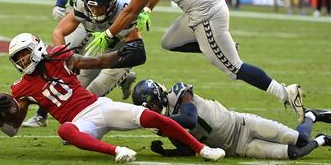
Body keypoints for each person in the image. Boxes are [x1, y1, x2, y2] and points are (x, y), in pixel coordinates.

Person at [84, 0, 306, 123]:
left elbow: (132, 9)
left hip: (205, 14)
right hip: (201, 7)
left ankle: (285, 93)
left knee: (233, 68)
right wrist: (149, 9)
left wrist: (110, 34)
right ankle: (218, 47)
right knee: (169, 41)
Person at [0, 33, 225, 163]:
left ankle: (202, 149)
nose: (22, 62)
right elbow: (12, 129)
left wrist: (121, 54)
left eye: (24, 56)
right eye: (17, 59)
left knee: (151, 117)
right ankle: (118, 151)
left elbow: (98, 62)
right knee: (65, 132)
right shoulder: (21, 87)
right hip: (81, 123)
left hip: (98, 106)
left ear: (36, 49)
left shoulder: (58, 57)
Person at [22, 0, 136, 127]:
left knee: (63, 67)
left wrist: (132, 9)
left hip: (92, 20)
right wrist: (59, 4)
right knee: (60, 64)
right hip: (76, 16)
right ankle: (122, 79)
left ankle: (42, 115)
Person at [132, 79, 331, 159]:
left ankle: (311, 116)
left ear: (157, 96)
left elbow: (190, 119)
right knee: (295, 154)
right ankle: (323, 139)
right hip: (238, 148)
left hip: (243, 124)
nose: (153, 111)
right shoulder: (166, 123)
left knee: (300, 139)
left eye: (152, 106)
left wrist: (163, 124)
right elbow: (187, 149)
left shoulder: (179, 93)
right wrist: (165, 152)